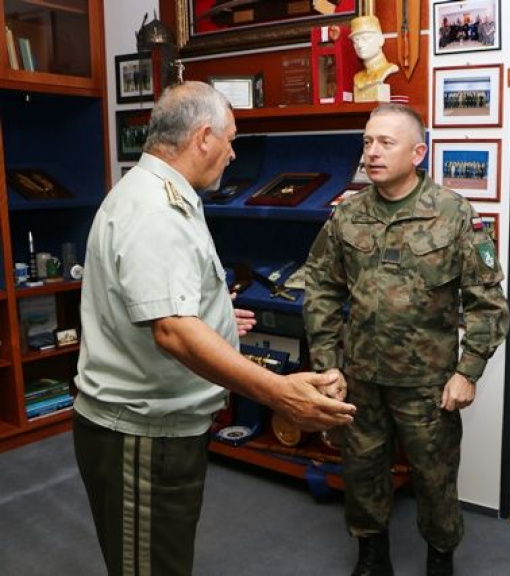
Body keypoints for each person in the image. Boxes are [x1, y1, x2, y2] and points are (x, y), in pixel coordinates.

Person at [72, 81, 356, 576]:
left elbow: (164, 308)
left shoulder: (157, 193)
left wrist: (216, 318)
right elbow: (173, 331)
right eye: (230, 139)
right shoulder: (157, 211)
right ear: (203, 137)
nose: (232, 153)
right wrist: (278, 393)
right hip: (143, 434)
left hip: (158, 428)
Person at [303, 103, 509, 576]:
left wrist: (468, 371)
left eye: (385, 143)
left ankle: (440, 557)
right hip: (360, 377)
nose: (372, 153)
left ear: (418, 153)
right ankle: (372, 556)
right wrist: (326, 363)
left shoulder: (453, 213)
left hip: (427, 383)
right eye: (367, 142)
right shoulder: (348, 214)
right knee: (362, 469)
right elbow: (322, 287)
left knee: (435, 477)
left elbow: (487, 302)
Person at [350, 15, 399, 102]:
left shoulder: (389, 70)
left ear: (381, 40)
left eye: (365, 39)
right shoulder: (358, 78)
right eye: (355, 41)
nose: (360, 45)